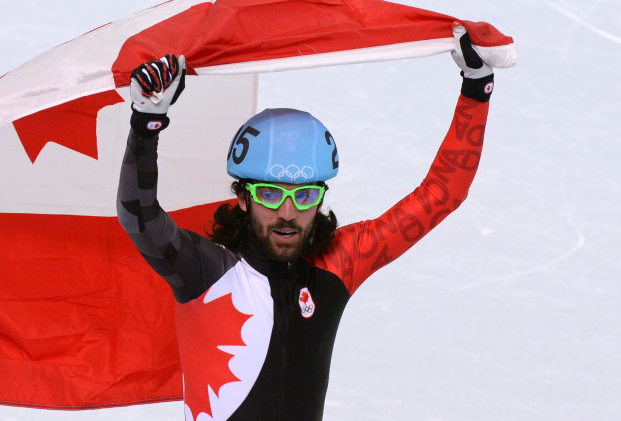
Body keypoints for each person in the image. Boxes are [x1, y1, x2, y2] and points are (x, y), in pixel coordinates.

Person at [117, 26, 494, 421]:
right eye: (269, 194)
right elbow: (138, 216)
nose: (287, 213)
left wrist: (477, 89)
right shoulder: (205, 270)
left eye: (304, 196)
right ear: (242, 198)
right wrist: (146, 124)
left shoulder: (340, 263)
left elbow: (441, 195)